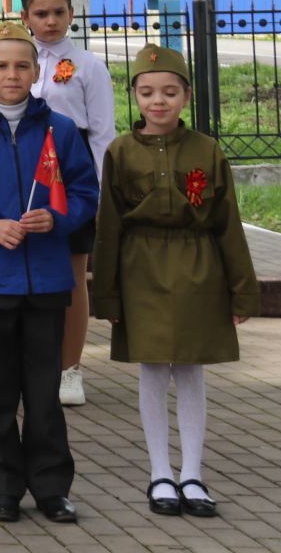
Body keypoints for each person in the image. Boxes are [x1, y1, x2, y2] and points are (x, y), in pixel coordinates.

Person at [0, 20, 98, 525]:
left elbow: (84, 193)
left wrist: (58, 217)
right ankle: (3, 487)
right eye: (1, 65)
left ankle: (52, 488)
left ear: (36, 72)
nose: (11, 74)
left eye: (21, 65)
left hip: (47, 281)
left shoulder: (61, 130)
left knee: (44, 392)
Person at [92, 45, 258, 521]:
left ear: (186, 95)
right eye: (146, 92)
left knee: (190, 370)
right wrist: (107, 293)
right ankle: (160, 472)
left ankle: (193, 473)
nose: (157, 101)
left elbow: (228, 222)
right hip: (140, 266)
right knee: (152, 368)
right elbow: (109, 227)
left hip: (198, 268)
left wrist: (241, 289)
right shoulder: (120, 152)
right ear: (135, 96)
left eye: (168, 92)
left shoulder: (207, 150)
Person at [19, 0, 116, 407]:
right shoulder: (14, 58)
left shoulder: (88, 67)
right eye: (41, 14)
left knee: (73, 274)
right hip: (20, 167)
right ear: (25, 19)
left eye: (58, 12)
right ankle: (28, 365)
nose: (50, 21)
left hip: (69, 171)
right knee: (24, 268)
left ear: (72, 14)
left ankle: (70, 369)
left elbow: (101, 134)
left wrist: (97, 193)